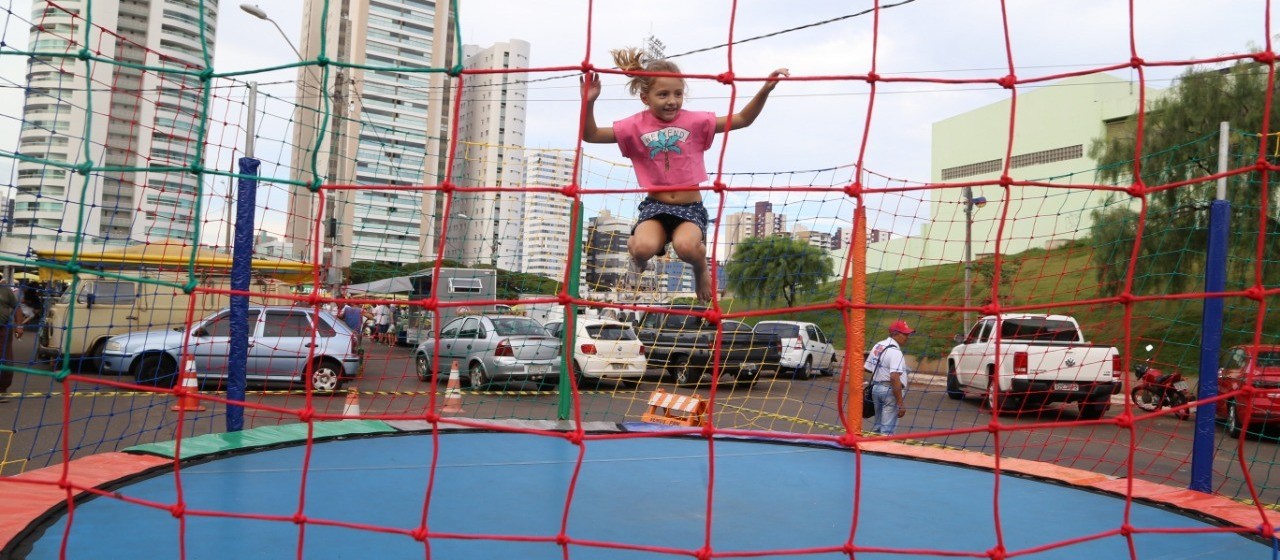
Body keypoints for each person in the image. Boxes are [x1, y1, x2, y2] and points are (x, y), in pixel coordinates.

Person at [583, 47, 789, 302]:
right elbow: (590, 135)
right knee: (643, 248)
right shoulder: (633, 126)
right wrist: (589, 102)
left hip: (689, 208)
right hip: (655, 208)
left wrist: (765, 89)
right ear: (645, 98)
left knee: (687, 247)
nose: (672, 100)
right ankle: (636, 254)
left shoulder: (695, 122)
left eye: (678, 93)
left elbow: (743, 119)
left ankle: (700, 268)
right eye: (663, 94)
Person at [863, 320, 915, 435]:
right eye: (905, 334)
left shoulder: (879, 345)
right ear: (895, 334)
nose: (907, 337)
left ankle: (872, 450)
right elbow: (894, 377)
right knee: (887, 431)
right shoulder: (895, 352)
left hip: (876, 389)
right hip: (890, 392)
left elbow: (867, 368)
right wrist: (900, 404)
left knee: (878, 428)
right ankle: (882, 452)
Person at [0, 283, 27, 403]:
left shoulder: (5, 291)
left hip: (3, 329)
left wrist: (19, 326)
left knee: (6, 359)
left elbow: (17, 307)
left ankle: (2, 389)